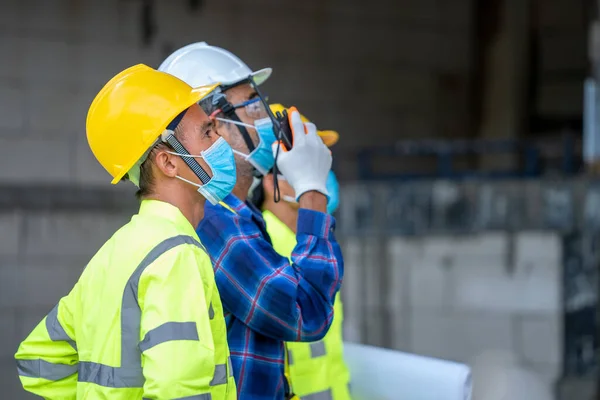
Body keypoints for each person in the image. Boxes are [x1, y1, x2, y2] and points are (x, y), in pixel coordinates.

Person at [14, 64, 237, 400]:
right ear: (169, 163)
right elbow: (178, 391)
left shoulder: (113, 254)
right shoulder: (176, 253)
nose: (220, 140)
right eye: (207, 133)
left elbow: (39, 362)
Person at [159, 42, 344, 400]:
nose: (267, 120)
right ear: (216, 124)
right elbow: (306, 312)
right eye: (253, 105)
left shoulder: (237, 217)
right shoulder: (215, 223)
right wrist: (311, 191)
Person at [249, 105, 352, 400]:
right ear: (270, 180)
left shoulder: (312, 242)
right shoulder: (262, 246)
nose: (321, 174)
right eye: (306, 164)